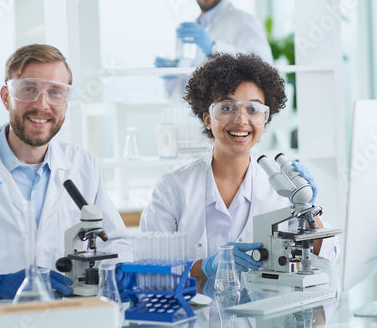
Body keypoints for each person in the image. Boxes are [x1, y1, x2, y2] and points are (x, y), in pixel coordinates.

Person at [0, 44, 132, 302]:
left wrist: (118, 269)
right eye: (29, 89)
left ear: (66, 102)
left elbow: (116, 242)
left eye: (55, 92)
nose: (42, 105)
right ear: (6, 97)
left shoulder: (83, 165)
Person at [140, 53, 339, 278]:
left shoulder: (282, 189)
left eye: (253, 109)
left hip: (264, 310)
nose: (241, 120)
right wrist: (206, 267)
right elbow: (150, 268)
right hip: (194, 311)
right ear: (207, 118)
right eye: (227, 108)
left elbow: (327, 260)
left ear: (265, 119)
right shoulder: (172, 187)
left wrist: (308, 211)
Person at [155, 0, 273, 103]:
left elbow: (264, 63)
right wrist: (171, 77)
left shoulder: (244, 20)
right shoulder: (192, 28)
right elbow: (184, 94)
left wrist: (213, 48)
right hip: (194, 118)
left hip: (229, 112)